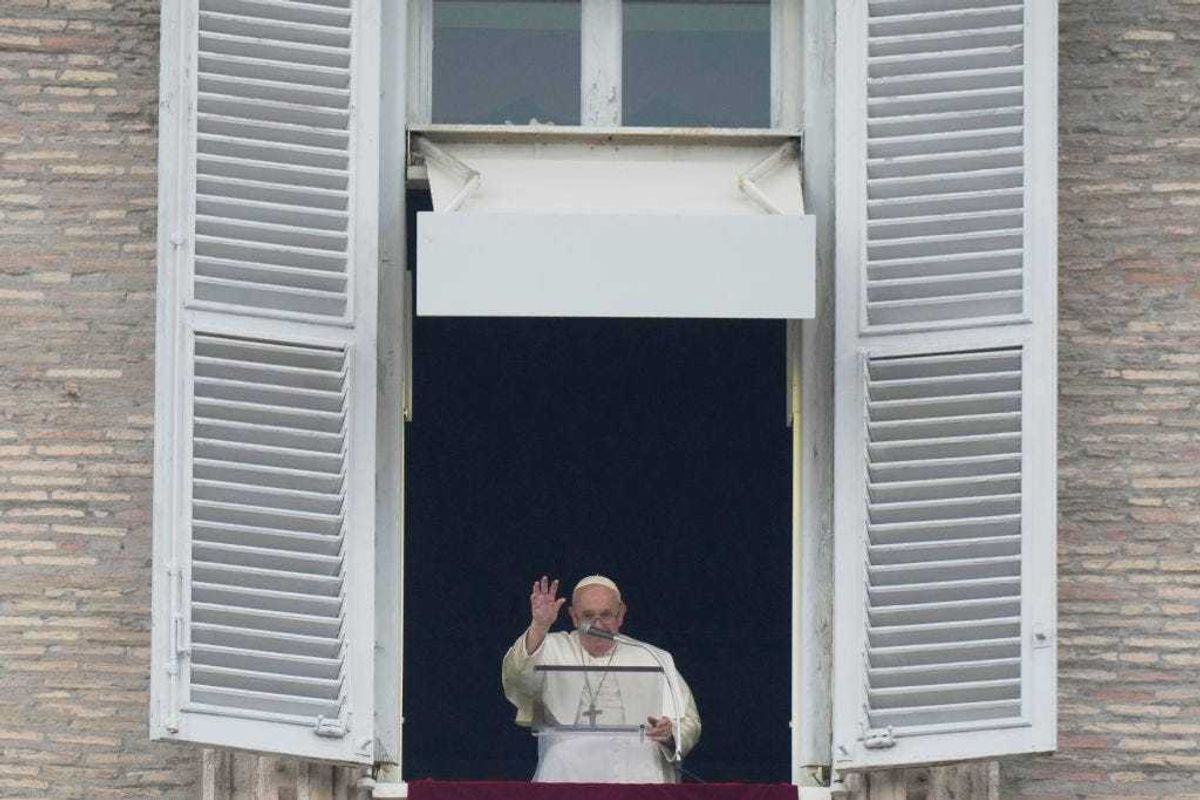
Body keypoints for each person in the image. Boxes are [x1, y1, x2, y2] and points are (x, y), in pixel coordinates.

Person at [501, 574, 701, 783]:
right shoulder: (548, 648)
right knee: (561, 759)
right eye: (588, 615)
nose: (597, 624)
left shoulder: (652, 657)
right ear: (574, 617)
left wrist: (670, 733)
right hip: (568, 768)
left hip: (636, 767)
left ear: (620, 615)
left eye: (606, 615)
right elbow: (516, 678)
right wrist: (539, 627)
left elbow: (689, 721)